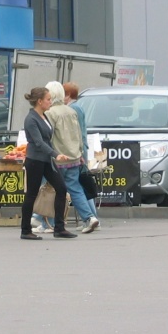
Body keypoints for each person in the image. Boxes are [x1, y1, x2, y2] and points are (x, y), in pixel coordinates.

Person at [19, 87, 77, 241]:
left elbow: (48, 139)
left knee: (61, 188)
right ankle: (25, 230)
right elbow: (38, 142)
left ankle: (59, 228)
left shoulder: (44, 116)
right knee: (31, 194)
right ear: (39, 101)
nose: (50, 102)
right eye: (48, 99)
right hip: (35, 160)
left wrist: (55, 153)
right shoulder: (31, 119)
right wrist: (56, 154)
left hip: (46, 160)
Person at [45, 81, 99, 234]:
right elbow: (79, 134)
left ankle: (52, 222)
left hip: (58, 158)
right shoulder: (71, 111)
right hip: (74, 157)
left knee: (56, 191)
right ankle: (89, 217)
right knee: (75, 189)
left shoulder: (50, 113)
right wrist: (80, 153)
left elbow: (48, 136)